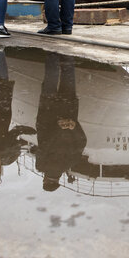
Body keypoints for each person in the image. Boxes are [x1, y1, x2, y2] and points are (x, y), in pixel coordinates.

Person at [35, 53, 86, 192]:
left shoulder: (72, 162)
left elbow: (81, 141)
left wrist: (73, 126)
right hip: (48, 113)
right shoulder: (41, 165)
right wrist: (59, 126)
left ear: (58, 181)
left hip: (68, 111)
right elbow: (45, 142)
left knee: (68, 74)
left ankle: (68, 52)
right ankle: (52, 50)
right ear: (45, 180)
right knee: (51, 76)